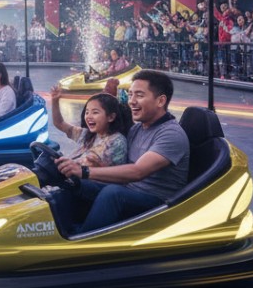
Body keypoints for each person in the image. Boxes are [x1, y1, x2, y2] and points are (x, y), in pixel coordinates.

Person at [56, 70, 190, 233]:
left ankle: (81, 242)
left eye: (139, 95)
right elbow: (113, 120)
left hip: (159, 203)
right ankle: (59, 229)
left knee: (113, 193)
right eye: (130, 94)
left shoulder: (171, 134)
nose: (132, 101)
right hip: (130, 191)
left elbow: (138, 172)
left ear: (161, 100)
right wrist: (96, 168)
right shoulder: (138, 129)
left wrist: (84, 171)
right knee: (73, 183)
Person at [49, 86, 131, 168]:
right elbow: (60, 123)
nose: (88, 116)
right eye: (87, 112)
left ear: (111, 117)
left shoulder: (117, 141)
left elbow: (112, 174)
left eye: (95, 112)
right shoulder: (89, 135)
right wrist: (55, 101)